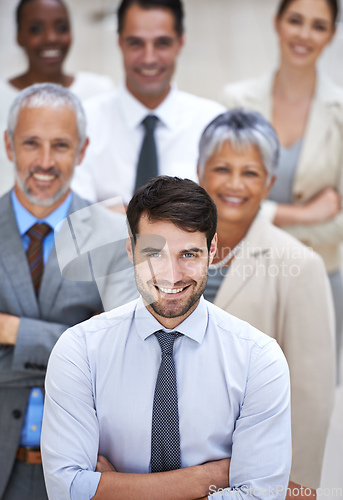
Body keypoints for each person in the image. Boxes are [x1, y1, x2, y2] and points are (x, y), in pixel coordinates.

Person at [41, 175, 292, 500]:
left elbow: (260, 496)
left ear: (212, 249)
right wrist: (208, 477)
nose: (171, 276)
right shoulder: (80, 352)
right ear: (130, 249)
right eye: (154, 254)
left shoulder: (258, 360)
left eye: (188, 254)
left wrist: (116, 489)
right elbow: (67, 490)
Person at [0, 82, 136, 500]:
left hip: (87, 470)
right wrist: (80, 342)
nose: (44, 161)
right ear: (8, 146)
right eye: (30, 143)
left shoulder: (117, 237)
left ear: (82, 150)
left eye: (60, 145)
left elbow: (126, 358)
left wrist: (12, 333)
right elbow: (95, 357)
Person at [197, 109, 335, 498]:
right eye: (222, 168)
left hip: (254, 474)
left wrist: (299, 486)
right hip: (171, 466)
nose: (235, 184)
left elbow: (312, 393)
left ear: (271, 181)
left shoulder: (300, 265)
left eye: (251, 173)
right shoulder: (169, 250)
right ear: (199, 170)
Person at [221, 0, 343, 373]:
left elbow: (339, 226)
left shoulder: (340, 113)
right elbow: (223, 199)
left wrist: (259, 216)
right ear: (276, 23)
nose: (304, 35)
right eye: (295, 20)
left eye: (318, 26)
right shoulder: (237, 101)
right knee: (242, 386)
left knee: (311, 396)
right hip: (246, 274)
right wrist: (302, 214)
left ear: (332, 35)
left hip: (321, 277)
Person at [71, 0, 225, 208]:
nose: (149, 58)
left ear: (180, 43)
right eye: (136, 43)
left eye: (162, 43)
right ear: (120, 43)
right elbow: (74, 221)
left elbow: (226, 216)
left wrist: (108, 213)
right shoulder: (84, 122)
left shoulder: (213, 124)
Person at [0, 0, 114, 197]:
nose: (51, 38)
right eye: (36, 29)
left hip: (85, 222)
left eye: (61, 27)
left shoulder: (100, 92)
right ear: (19, 36)